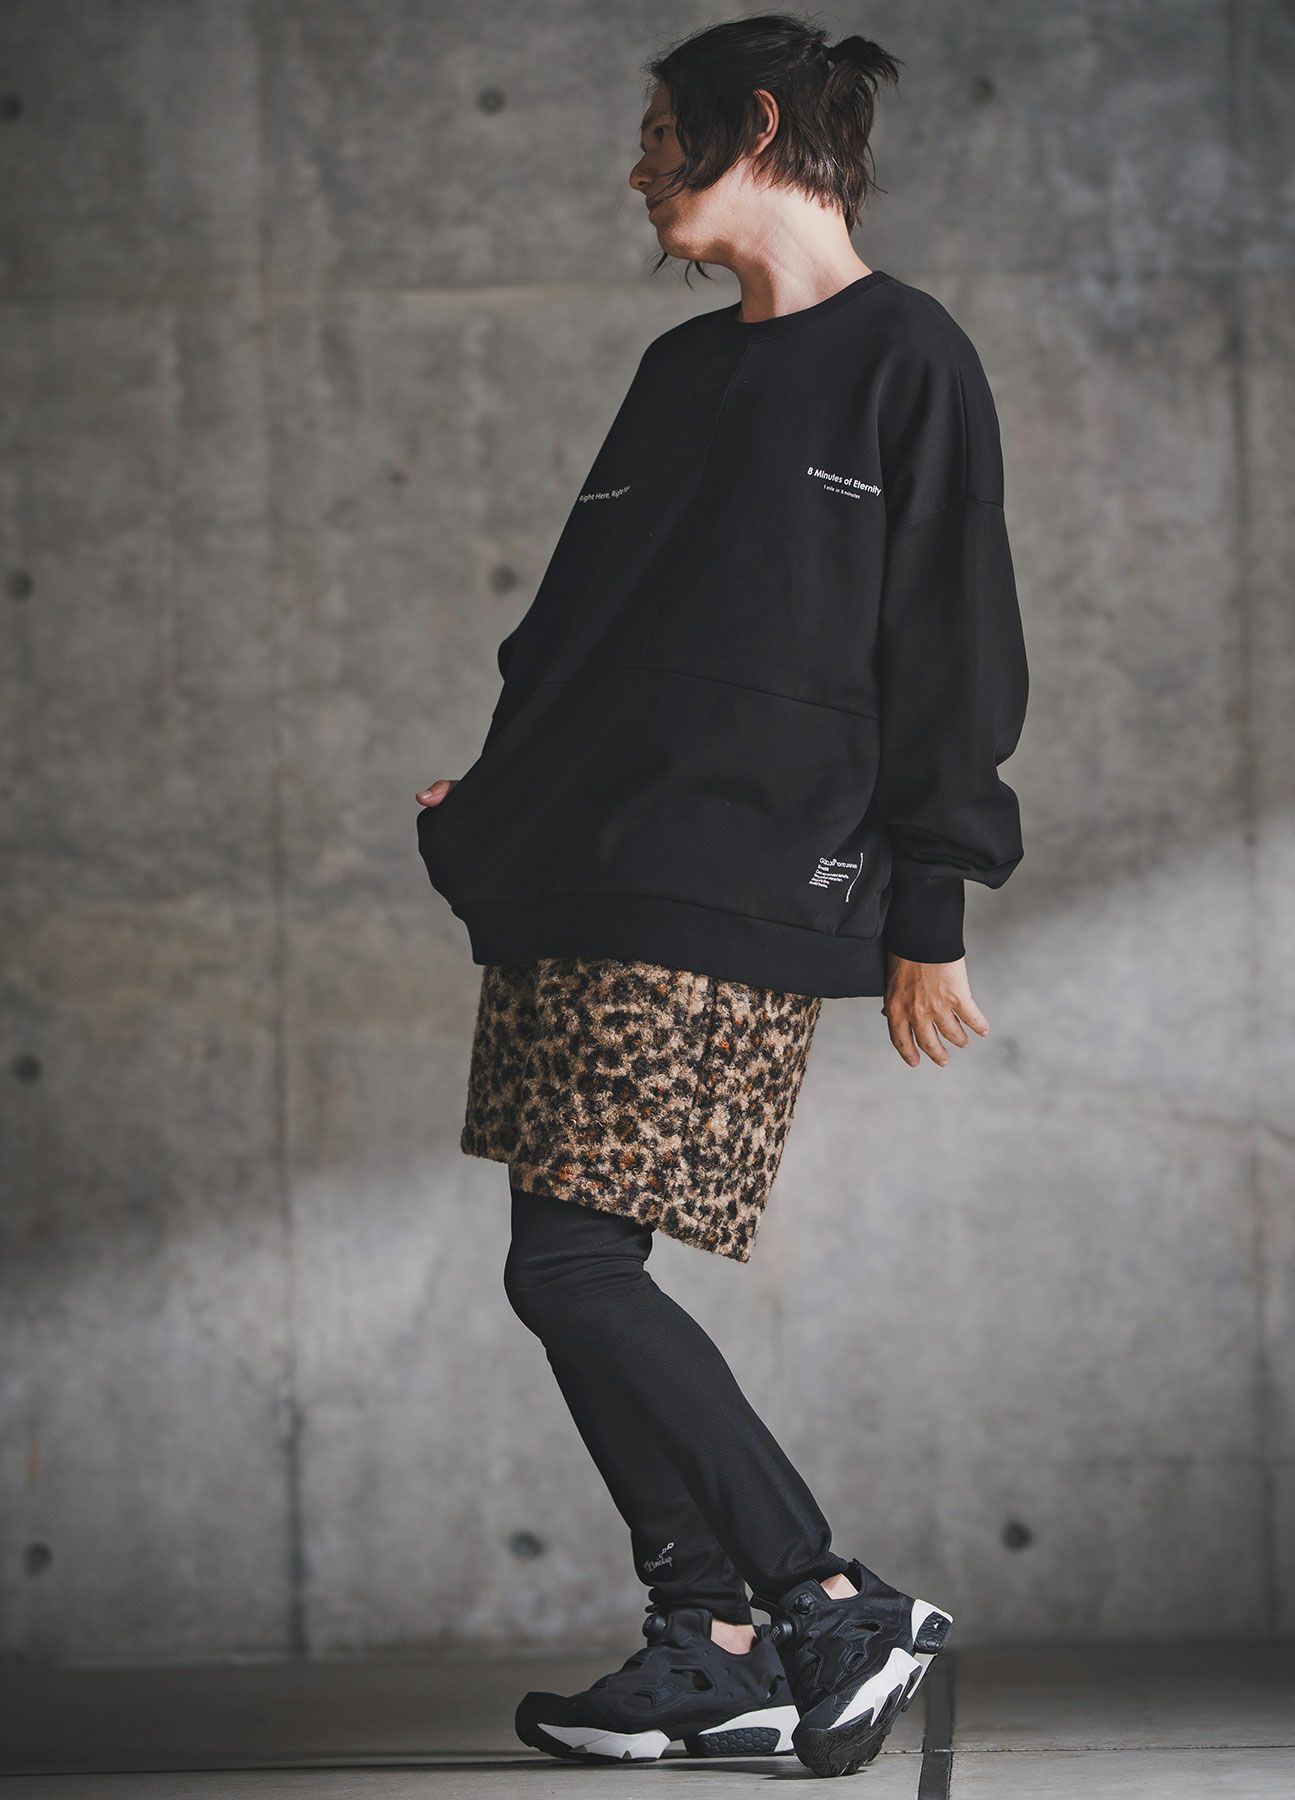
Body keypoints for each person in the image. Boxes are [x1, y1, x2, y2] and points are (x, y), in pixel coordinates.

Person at [414, 12, 1027, 1779]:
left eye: (657, 135)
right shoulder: (681, 373)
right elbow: (583, 631)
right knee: (565, 1265)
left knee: (572, 1265)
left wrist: (931, 905)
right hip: (589, 864)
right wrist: (501, 795)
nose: (637, 172)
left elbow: (953, 651)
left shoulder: (909, 358)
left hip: (736, 871)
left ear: (751, 125)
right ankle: (719, 1642)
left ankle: (826, 1595)